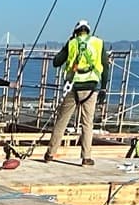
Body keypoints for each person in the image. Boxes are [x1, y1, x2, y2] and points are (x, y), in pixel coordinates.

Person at [44, 20, 105, 165]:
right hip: (91, 87)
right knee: (87, 123)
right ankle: (86, 157)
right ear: (88, 31)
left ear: (76, 31)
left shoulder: (72, 43)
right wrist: (104, 88)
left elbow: (56, 62)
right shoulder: (98, 43)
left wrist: (70, 43)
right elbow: (105, 66)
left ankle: (50, 154)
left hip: (73, 86)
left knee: (62, 121)